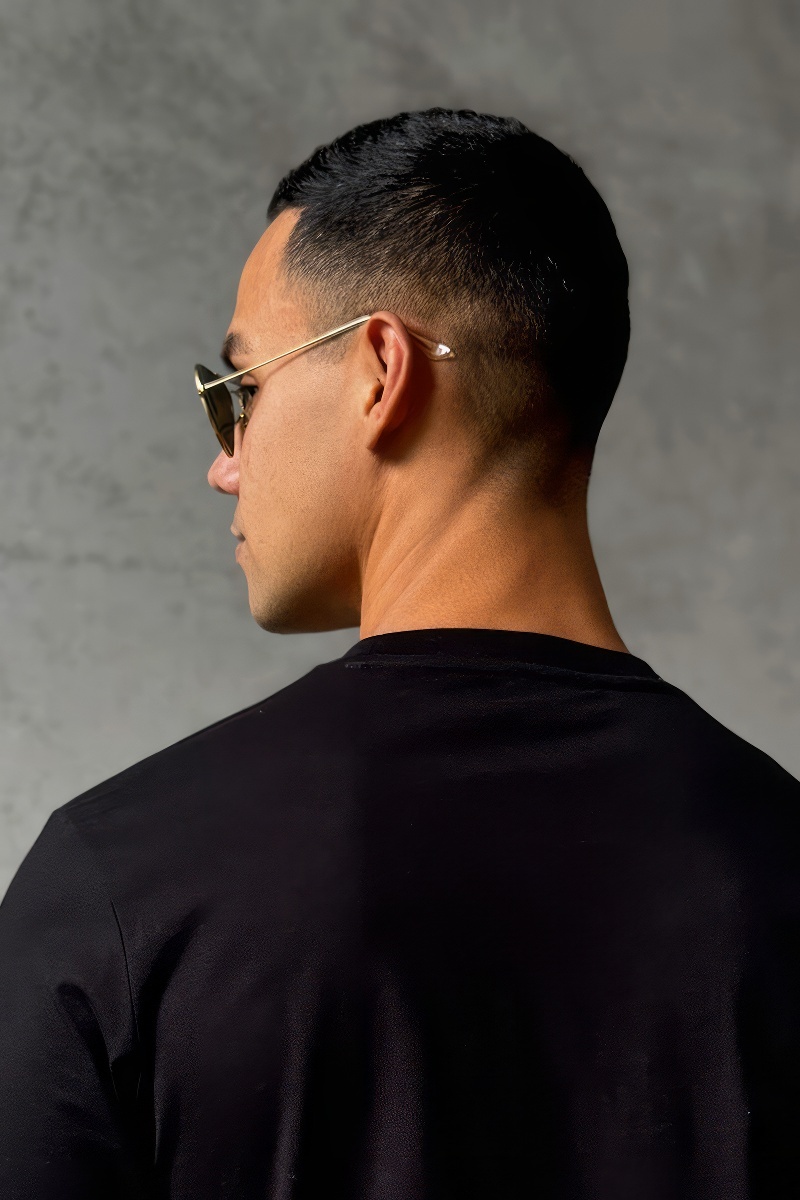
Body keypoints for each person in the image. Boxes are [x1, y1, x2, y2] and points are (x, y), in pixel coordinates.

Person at [0, 106, 798, 1199]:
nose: (224, 465)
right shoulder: (779, 863)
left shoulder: (123, 885)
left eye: (242, 392)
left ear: (380, 370)